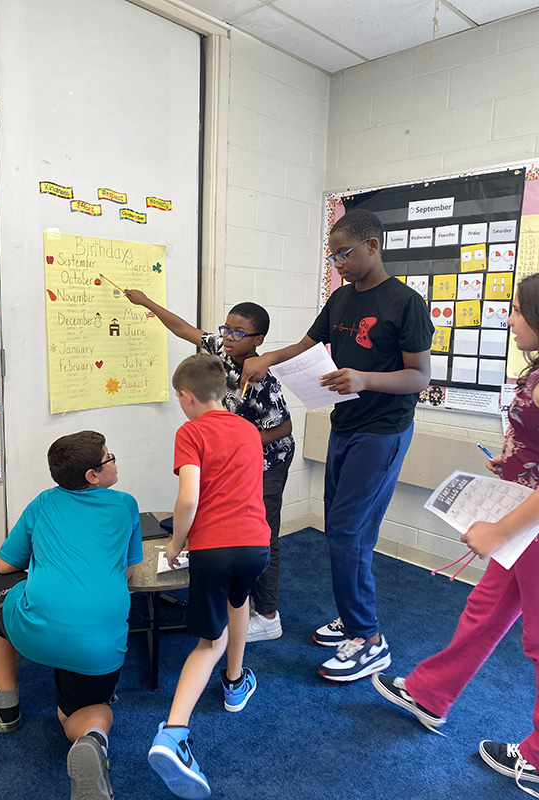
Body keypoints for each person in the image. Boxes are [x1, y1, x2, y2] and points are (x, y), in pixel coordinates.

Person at [241, 208, 434, 681]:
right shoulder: (341, 299)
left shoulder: (405, 303)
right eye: (333, 257)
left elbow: (420, 377)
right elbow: (307, 344)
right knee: (348, 531)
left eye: (344, 254)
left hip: (383, 431)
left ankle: (369, 638)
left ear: (373, 245)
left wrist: (364, 378)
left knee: (346, 532)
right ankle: (353, 618)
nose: (338, 264)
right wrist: (266, 356)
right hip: (345, 426)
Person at [372, 273, 539, 798]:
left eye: (516, 310)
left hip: (529, 528)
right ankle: (429, 694)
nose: (508, 319)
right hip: (521, 518)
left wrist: (498, 530)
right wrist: (512, 465)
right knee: (485, 610)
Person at [0, 431, 142, 800]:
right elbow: (128, 572)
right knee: (79, 716)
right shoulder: (126, 505)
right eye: (109, 457)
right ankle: (92, 741)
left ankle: (5, 705)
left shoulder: (42, 503)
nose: (114, 461)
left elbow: (4, 565)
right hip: (99, 647)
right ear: (93, 476)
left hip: (33, 631)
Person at [124, 289, 294, 642]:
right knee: (229, 527)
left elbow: (284, 427)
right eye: (226, 328)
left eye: (238, 333)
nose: (228, 337)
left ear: (258, 339)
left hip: (267, 464)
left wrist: (238, 442)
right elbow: (184, 329)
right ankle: (235, 600)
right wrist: (146, 302)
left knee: (264, 533)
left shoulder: (263, 380)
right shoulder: (221, 351)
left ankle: (267, 615)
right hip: (233, 457)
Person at [147, 353, 270, 799]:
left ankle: (173, 733)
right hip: (257, 545)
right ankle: (236, 685)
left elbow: (189, 499)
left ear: (186, 396)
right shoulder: (249, 429)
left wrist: (177, 544)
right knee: (241, 603)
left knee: (208, 643)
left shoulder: (190, 431)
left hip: (213, 549)